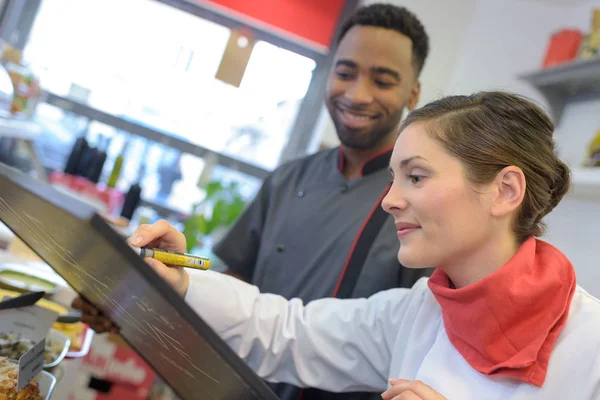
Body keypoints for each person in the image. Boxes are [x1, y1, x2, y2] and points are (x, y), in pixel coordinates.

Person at [75, 91, 600, 399]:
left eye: (415, 177)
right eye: (393, 179)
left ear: (504, 190)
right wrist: (180, 280)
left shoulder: (590, 346)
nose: (390, 201)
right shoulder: (420, 310)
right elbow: (288, 333)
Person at [79, 5, 433, 400]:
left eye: (382, 81)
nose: (356, 94)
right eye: (345, 72)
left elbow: (421, 338)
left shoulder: (419, 204)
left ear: (413, 92)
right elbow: (236, 287)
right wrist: (143, 296)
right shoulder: (289, 178)